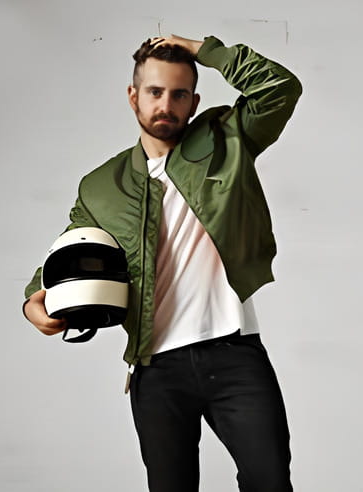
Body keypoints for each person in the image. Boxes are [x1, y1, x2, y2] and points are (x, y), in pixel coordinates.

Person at [22, 33, 302, 491]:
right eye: (154, 92)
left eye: (178, 94)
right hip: (155, 368)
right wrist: (34, 302)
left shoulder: (228, 139)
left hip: (234, 353)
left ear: (194, 102)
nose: (165, 104)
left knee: (269, 481)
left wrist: (204, 50)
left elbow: (280, 88)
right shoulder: (102, 186)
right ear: (134, 97)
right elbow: (65, 253)